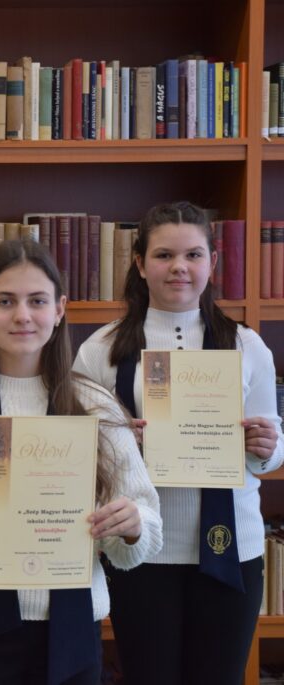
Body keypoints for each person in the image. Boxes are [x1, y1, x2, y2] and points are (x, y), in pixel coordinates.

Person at [0, 239, 163, 685]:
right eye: (5, 301)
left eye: (37, 301)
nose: (22, 315)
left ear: (60, 309)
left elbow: (143, 539)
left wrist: (132, 524)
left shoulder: (96, 405)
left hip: (72, 632)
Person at [72, 201, 283, 685]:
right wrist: (116, 444)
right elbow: (77, 452)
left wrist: (268, 445)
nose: (179, 267)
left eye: (193, 255)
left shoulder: (247, 345)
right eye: (164, 255)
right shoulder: (100, 350)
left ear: (212, 261)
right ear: (140, 263)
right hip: (140, 550)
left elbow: (270, 454)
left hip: (233, 548)